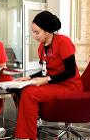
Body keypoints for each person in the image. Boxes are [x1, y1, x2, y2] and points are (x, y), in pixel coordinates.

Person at [14, 11, 83, 140]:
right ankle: (30, 126)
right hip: (55, 84)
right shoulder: (42, 47)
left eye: (37, 32)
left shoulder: (63, 42)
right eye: (33, 32)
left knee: (30, 92)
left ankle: (27, 137)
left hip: (70, 86)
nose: (34, 36)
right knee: (21, 88)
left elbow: (70, 71)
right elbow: (46, 70)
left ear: (47, 31)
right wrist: (29, 77)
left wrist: (46, 80)